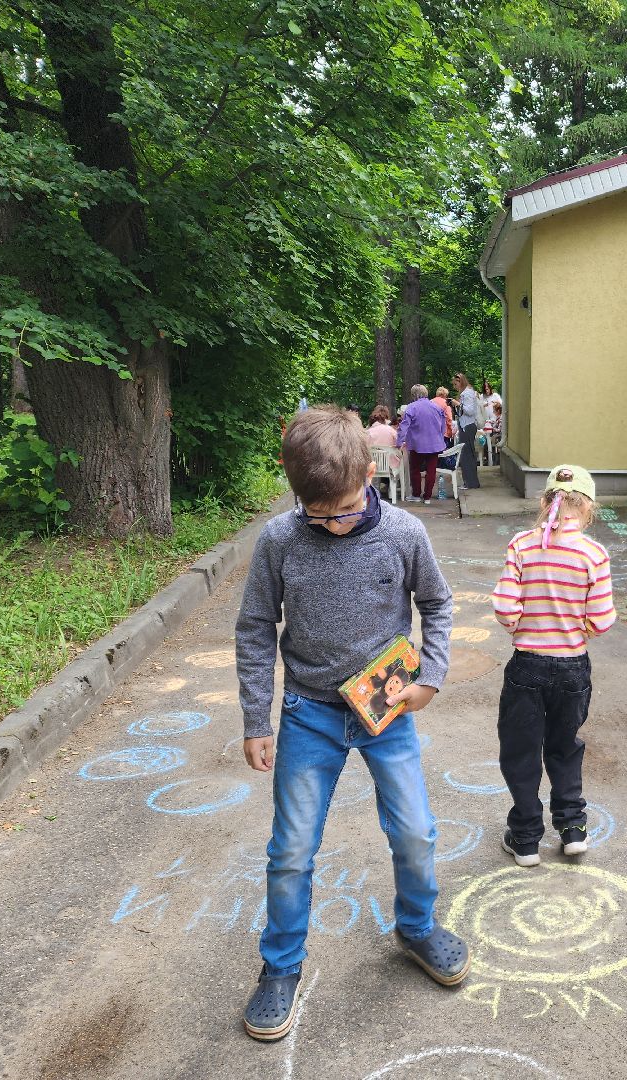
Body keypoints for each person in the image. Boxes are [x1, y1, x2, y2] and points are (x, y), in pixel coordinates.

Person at [234, 404, 466, 1043]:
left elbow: (438, 604)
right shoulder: (281, 539)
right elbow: (256, 627)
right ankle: (280, 965)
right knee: (290, 850)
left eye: (343, 509)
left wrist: (432, 677)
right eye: (318, 514)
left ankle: (416, 927)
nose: (333, 526)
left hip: (386, 709)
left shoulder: (404, 533)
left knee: (416, 832)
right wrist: (257, 717)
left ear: (372, 471)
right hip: (309, 713)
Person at [491, 466, 616, 866]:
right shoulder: (594, 554)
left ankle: (526, 837)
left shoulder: (522, 546)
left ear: (545, 502)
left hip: (527, 665)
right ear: (590, 509)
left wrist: (520, 623)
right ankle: (572, 828)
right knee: (564, 748)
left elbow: (505, 608)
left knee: (521, 750)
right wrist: (578, 626)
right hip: (572, 667)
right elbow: (600, 619)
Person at [397, 385, 450, 505]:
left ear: (414, 395)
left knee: (415, 469)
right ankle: (427, 497)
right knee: (431, 470)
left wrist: (399, 442)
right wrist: (440, 437)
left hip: (417, 444)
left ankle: (416, 494)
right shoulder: (436, 407)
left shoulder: (411, 407)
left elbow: (404, 426)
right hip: (435, 443)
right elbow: (443, 425)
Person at [452, 373, 482, 490]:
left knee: (467, 455)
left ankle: (471, 483)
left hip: (468, 426)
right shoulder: (467, 393)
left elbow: (469, 411)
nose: (455, 386)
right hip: (466, 426)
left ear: (461, 382)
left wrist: (457, 404)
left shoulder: (467, 393)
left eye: (456, 384)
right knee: (466, 454)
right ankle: (469, 482)